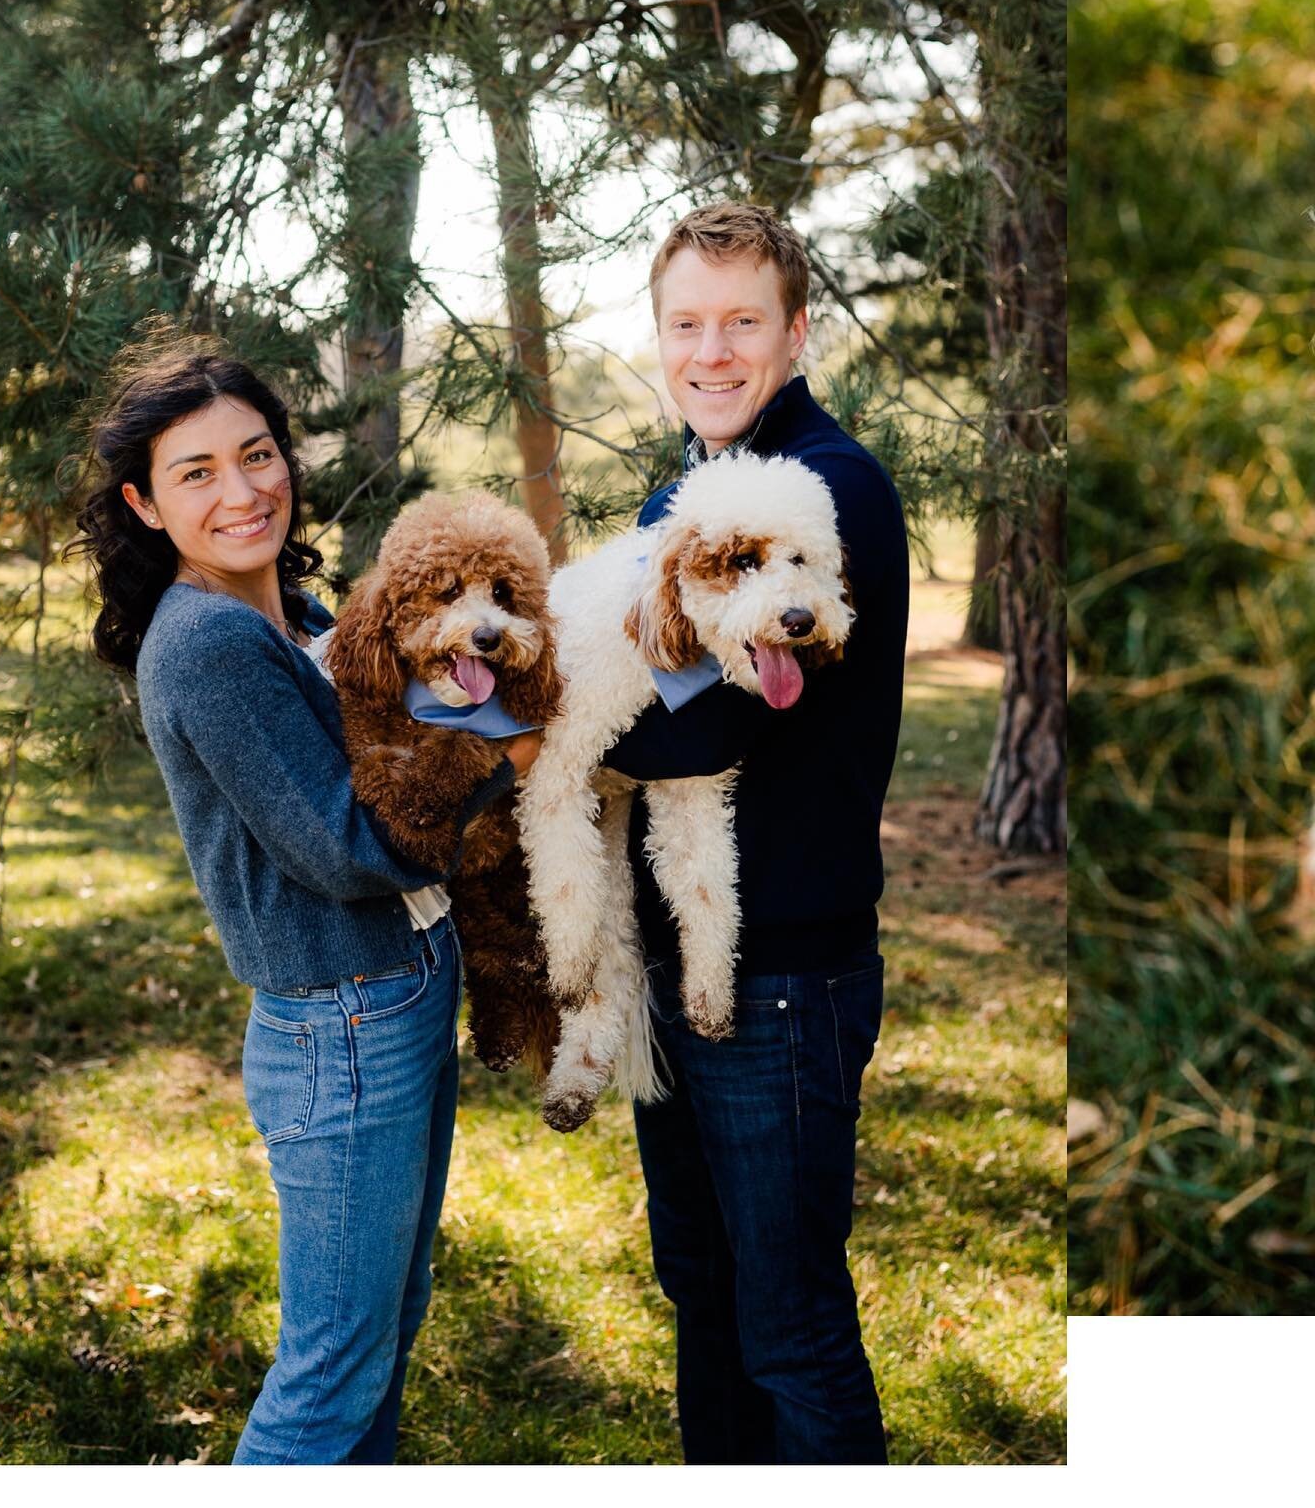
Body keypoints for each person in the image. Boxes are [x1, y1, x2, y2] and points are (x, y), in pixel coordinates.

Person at [71, 340, 540, 1465]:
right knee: (331, 1369)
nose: (242, 492)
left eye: (258, 454)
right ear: (143, 503)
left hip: (398, 993)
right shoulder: (209, 643)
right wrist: (511, 757)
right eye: (196, 473)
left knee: (382, 1334)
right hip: (345, 1021)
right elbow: (346, 845)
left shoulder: (290, 609)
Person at [603, 202, 909, 1464]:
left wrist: (532, 734)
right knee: (706, 1300)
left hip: (781, 973)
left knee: (788, 1328)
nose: (712, 351)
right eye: (688, 324)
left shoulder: (822, 494)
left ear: (795, 332)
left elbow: (694, 732)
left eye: (742, 322)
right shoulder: (684, 497)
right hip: (683, 961)